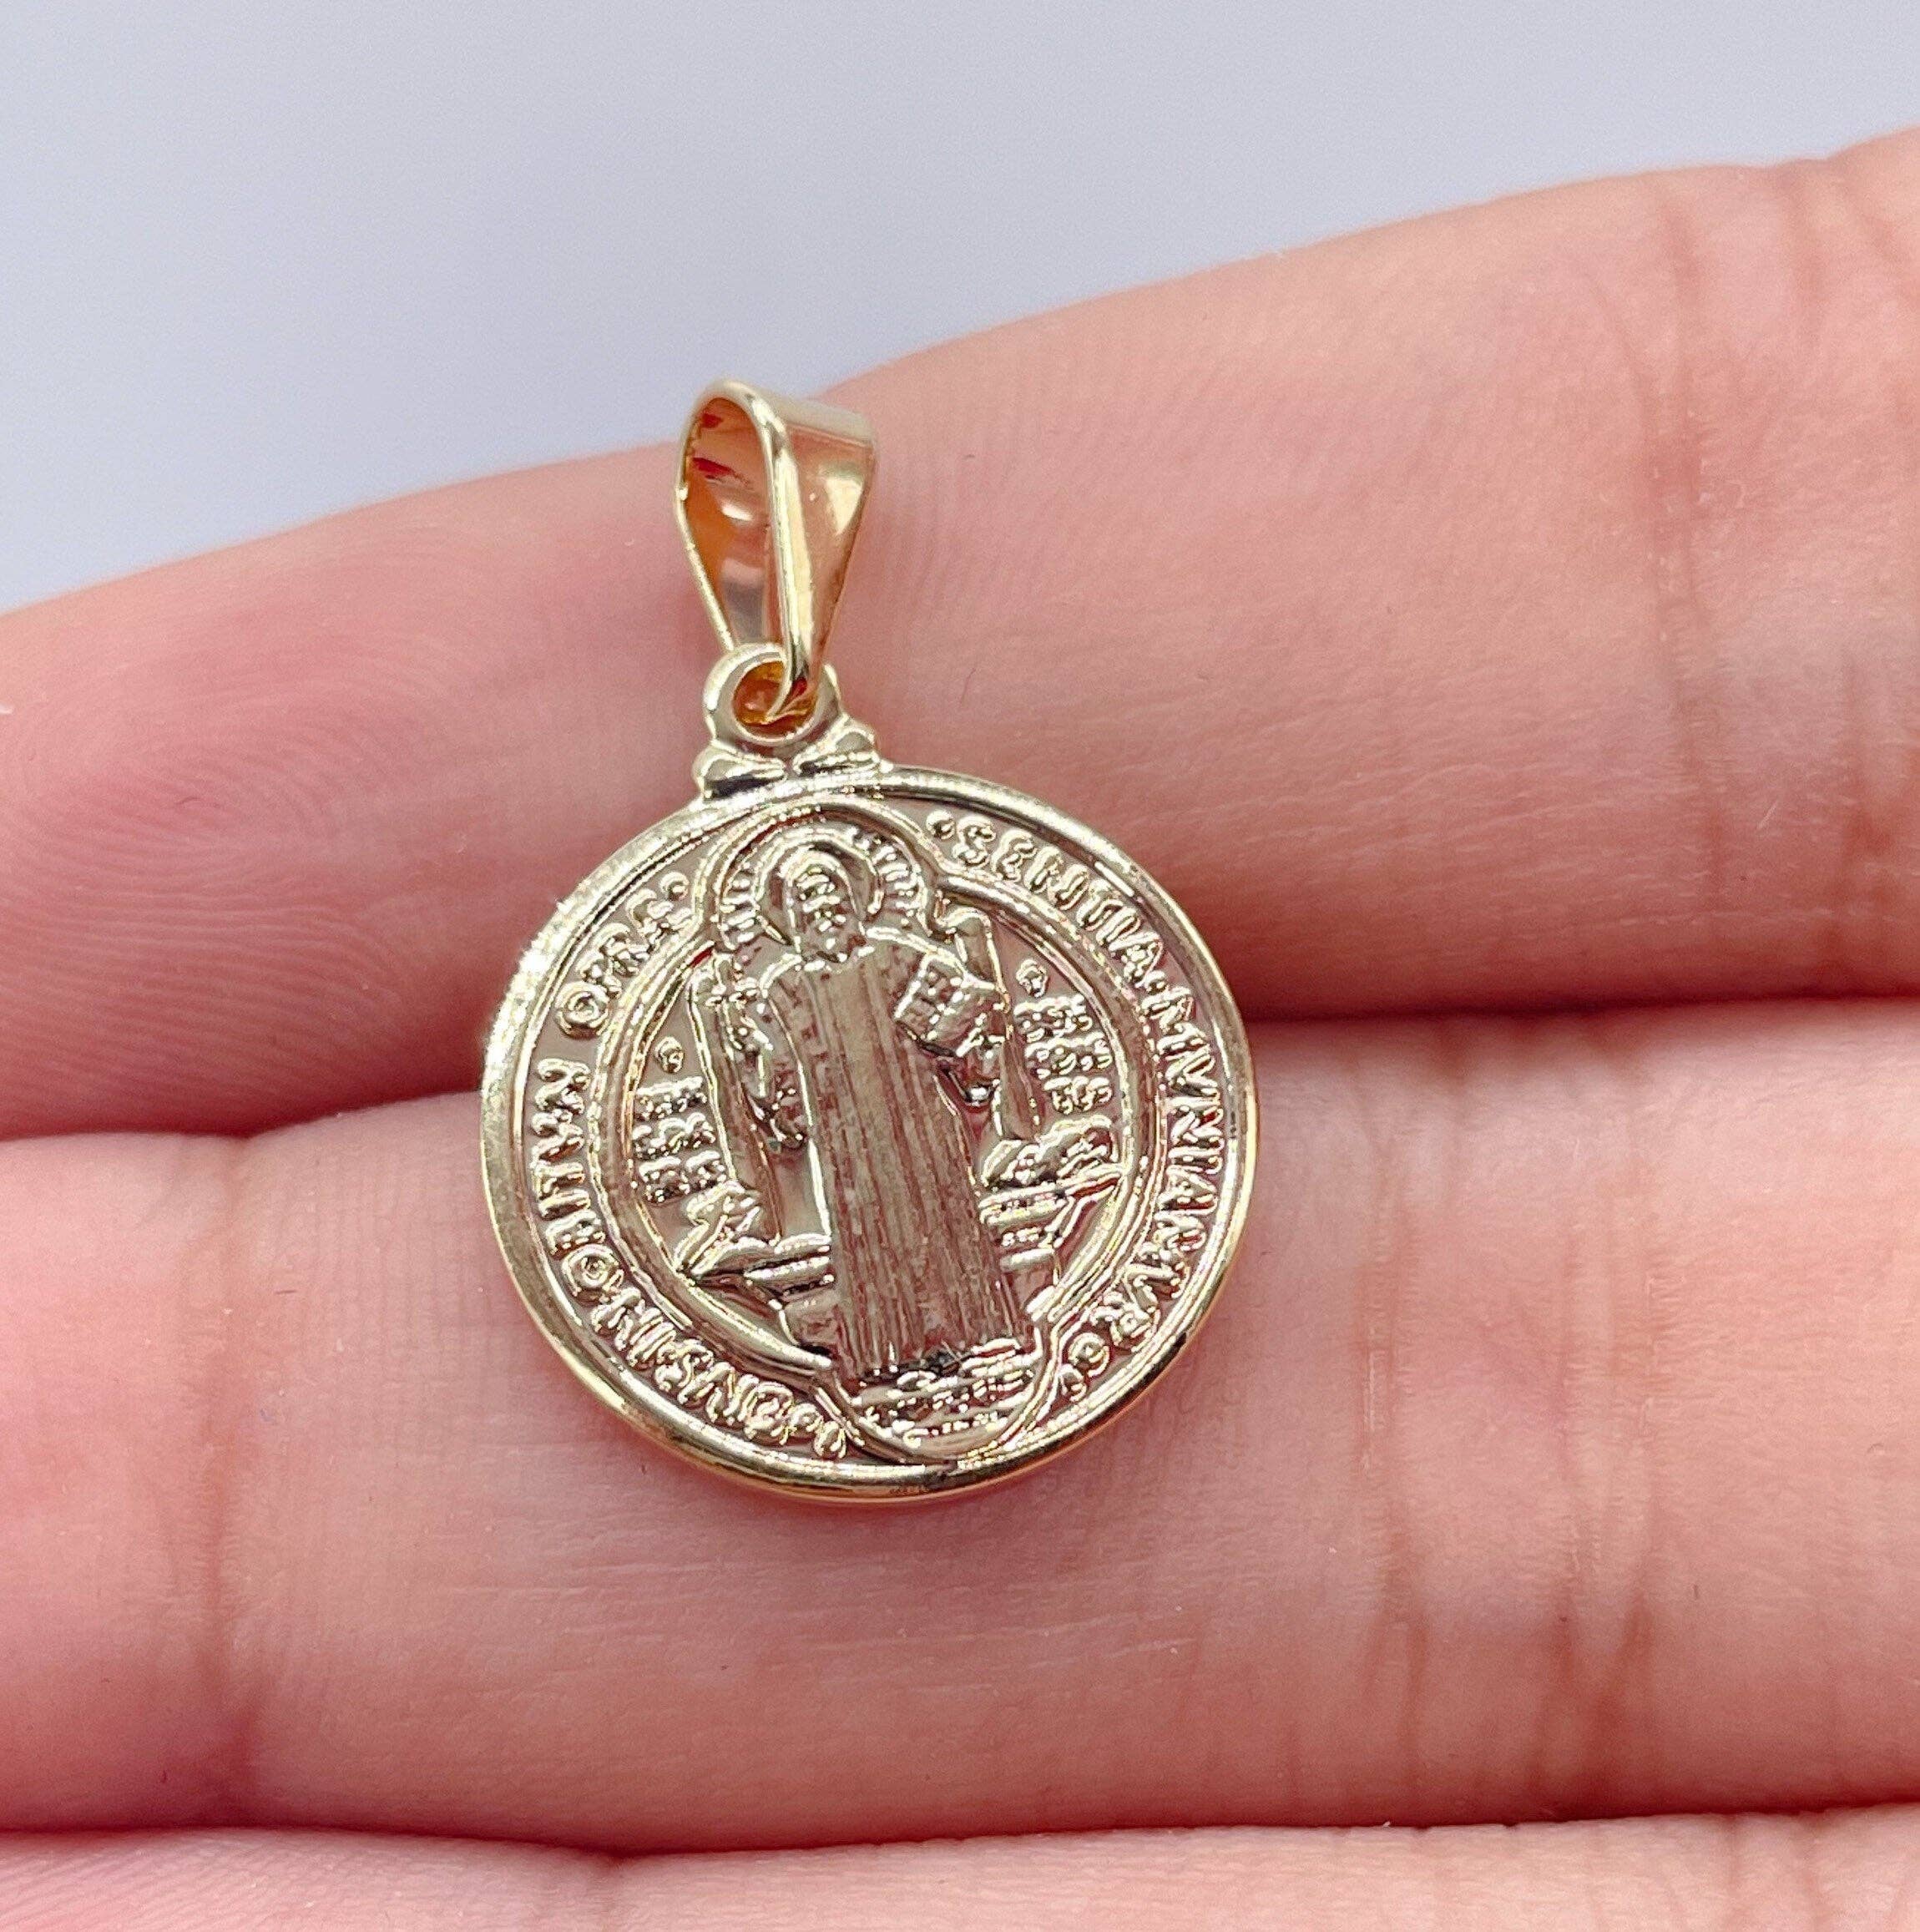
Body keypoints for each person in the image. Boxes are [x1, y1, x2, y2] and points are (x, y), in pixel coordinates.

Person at [7, 131, 1920, 1925]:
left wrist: (944, 1018)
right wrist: (773, 1061)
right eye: (800, 901)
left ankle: (962, 1338)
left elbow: (980, 1033)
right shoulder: (756, 972)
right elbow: (753, 1107)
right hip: (843, 1145)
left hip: (913, 1124)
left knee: (938, 1235)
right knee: (868, 1239)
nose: (817, 905)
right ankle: (892, 1347)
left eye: (832, 896)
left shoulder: (907, 939)